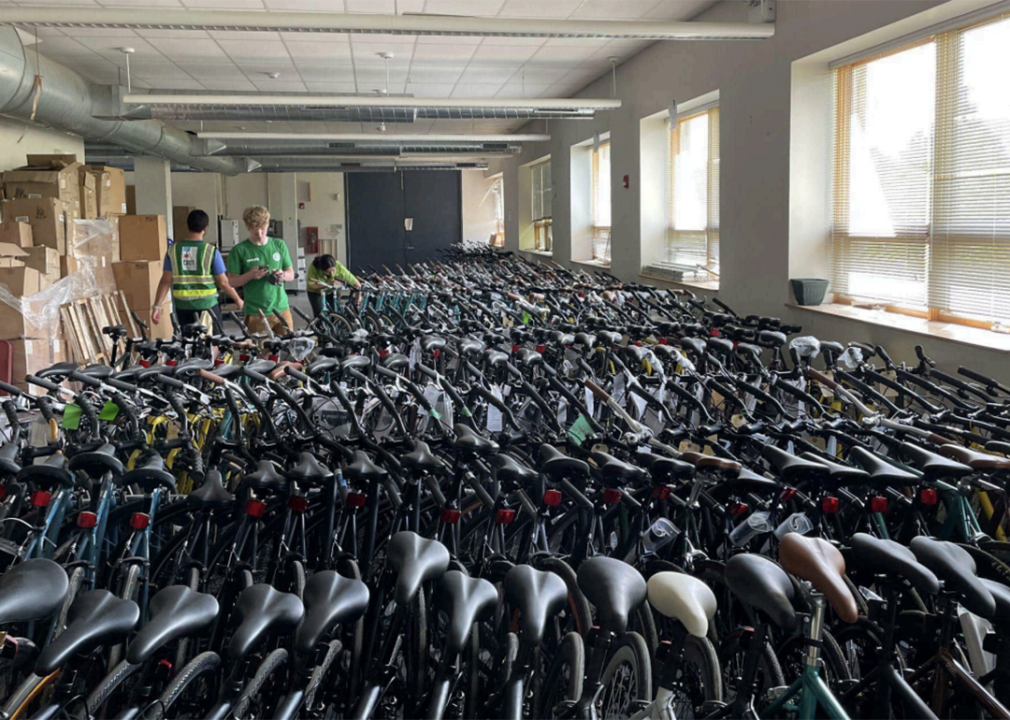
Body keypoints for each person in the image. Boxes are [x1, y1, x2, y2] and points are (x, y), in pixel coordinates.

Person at [151, 209, 242, 330]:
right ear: (206, 228)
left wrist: (157, 306)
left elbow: (165, 280)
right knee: (212, 343)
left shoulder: (173, 250)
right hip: (207, 306)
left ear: (188, 226)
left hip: (183, 306)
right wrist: (238, 300)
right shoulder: (210, 251)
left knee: (188, 343)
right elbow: (223, 283)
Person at [226, 206, 295, 334]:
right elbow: (232, 282)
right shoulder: (240, 250)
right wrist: (250, 275)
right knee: (260, 352)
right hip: (256, 313)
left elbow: (291, 274)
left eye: (262, 230)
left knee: (289, 349)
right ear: (247, 227)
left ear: (268, 224)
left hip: (282, 309)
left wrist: (282, 275)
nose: (259, 234)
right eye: (254, 231)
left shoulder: (279, 245)